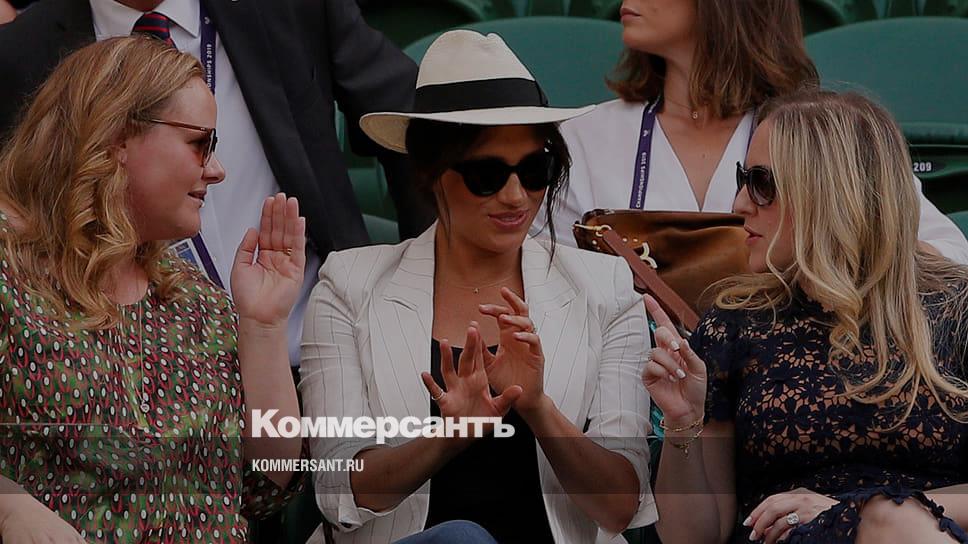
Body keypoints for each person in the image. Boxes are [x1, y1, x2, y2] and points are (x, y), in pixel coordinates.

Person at [300, 30, 656, 543]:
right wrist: (447, 438)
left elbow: (621, 506)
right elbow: (337, 491)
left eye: (535, 170)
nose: (515, 196)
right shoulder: (349, 286)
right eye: (486, 175)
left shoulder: (606, 288)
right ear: (431, 171)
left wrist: (538, 408)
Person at [0, 0, 436, 372]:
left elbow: (420, 126)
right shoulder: (20, 51)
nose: (214, 169)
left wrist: (426, 291)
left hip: (318, 360)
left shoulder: (288, 7)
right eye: (197, 145)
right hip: (149, 394)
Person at [0, 37, 305, 542]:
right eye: (200, 143)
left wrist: (264, 327)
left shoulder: (197, 302)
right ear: (117, 137)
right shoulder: (10, 275)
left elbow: (265, 484)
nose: (217, 170)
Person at [642, 90, 968, 544]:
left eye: (762, 183)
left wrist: (859, 512)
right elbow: (691, 538)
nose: (739, 204)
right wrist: (682, 423)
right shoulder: (735, 323)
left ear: (829, 192)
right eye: (742, 179)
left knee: (892, 523)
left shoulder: (957, 308)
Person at [535, 0, 968, 264]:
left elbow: (951, 256)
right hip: (628, 378)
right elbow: (539, 275)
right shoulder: (581, 136)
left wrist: (838, 233)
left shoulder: (817, 136)